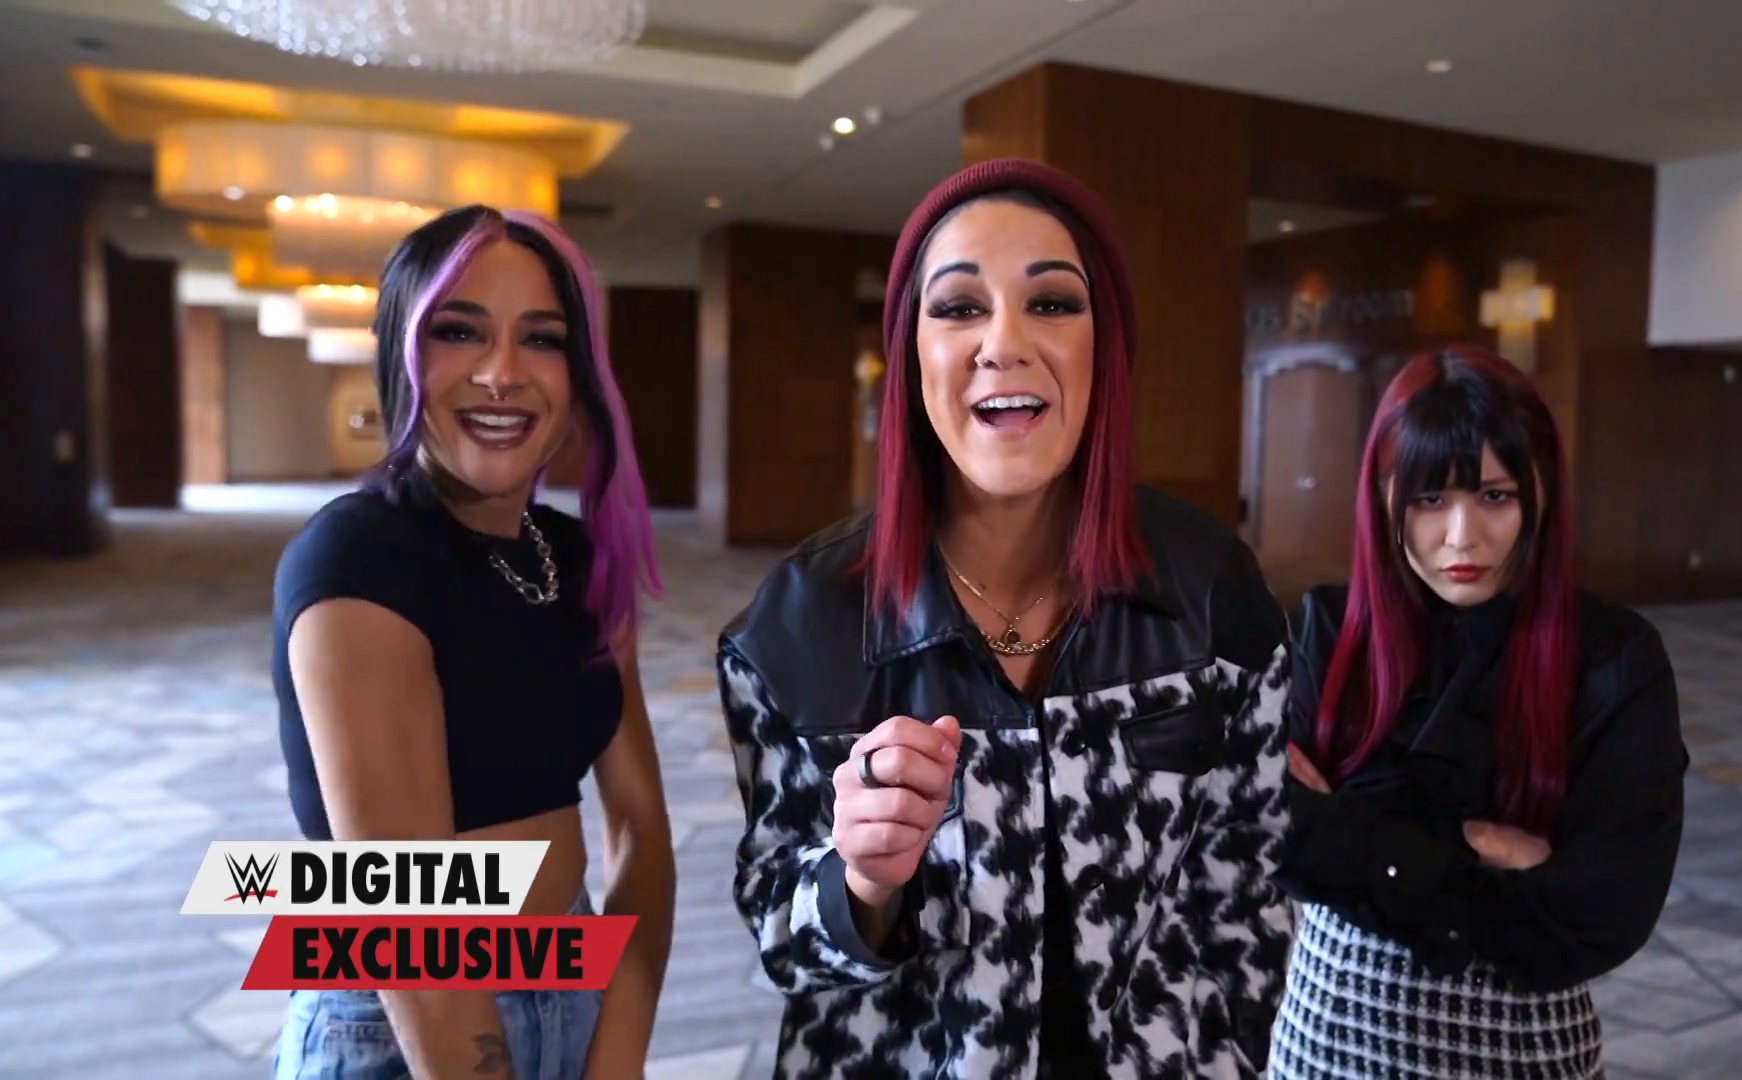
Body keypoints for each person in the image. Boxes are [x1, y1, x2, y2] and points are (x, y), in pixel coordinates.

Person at [717, 158, 1296, 1079]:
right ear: (912, 354)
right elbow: (781, 944)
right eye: (958, 307)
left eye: (1053, 304)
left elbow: (1251, 897)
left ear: (1107, 347)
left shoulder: (1208, 588)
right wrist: (861, 880)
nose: (1004, 343)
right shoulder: (802, 620)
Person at [268, 205, 675, 1080]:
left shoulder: (573, 555)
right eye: (459, 331)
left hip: (573, 981)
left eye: (542, 339)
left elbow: (641, 831)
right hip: (396, 1022)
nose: (502, 374)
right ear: (402, 353)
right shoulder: (359, 557)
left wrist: (619, 1050)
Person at [1268, 346, 1689, 1079]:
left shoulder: (1613, 657)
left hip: (1520, 1044)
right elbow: (1279, 838)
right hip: (1328, 1029)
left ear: (1541, 493)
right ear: (1383, 498)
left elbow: (1605, 912)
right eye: (1429, 499)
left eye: (1494, 496)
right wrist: (1480, 843)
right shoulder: (1332, 632)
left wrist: (1362, 843)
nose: (1462, 537)